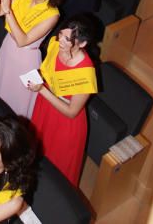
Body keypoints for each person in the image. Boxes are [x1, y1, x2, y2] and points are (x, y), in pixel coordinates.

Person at [28, 16, 98, 186]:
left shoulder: (85, 72)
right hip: (45, 106)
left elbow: (72, 112)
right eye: (61, 35)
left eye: (68, 39)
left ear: (82, 44)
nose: (61, 41)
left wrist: (42, 89)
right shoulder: (55, 45)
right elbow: (46, 71)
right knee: (36, 152)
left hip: (65, 122)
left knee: (56, 171)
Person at [0, 0, 64, 118]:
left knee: (17, 101)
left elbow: (22, 41)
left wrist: (8, 12)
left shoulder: (52, 14)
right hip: (8, 47)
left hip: (25, 58)